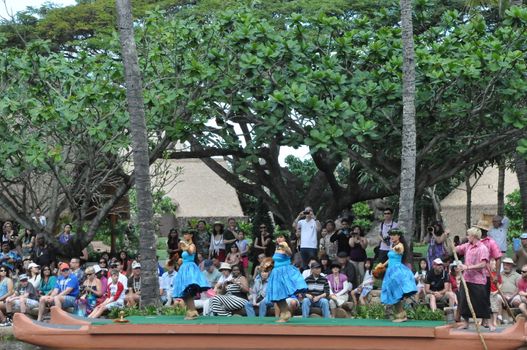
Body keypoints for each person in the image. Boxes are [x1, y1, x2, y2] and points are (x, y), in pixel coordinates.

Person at [454, 227, 490, 330]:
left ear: (473, 236)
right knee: (463, 300)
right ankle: (465, 322)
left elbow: (483, 264)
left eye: (468, 235)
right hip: (466, 279)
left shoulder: (482, 248)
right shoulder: (467, 246)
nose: (467, 237)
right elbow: (455, 249)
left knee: (480, 301)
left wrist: (467, 267)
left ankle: (485, 321)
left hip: (478, 280)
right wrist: (448, 239)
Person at [265, 234, 307, 322]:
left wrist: (285, 247)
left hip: (283, 273)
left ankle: (286, 313)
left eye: (281, 237)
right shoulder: (277, 247)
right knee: (278, 295)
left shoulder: (284, 244)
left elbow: (290, 254)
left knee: (280, 294)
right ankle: (284, 313)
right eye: (278, 237)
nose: (279, 238)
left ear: (285, 239)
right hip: (276, 273)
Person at [377, 228, 416, 322]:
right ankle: (401, 315)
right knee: (393, 292)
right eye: (391, 235)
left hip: (397, 271)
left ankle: (402, 316)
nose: (392, 237)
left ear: (399, 236)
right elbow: (390, 258)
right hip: (390, 271)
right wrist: (383, 265)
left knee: (396, 292)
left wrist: (395, 248)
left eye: (394, 235)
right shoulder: (393, 245)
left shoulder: (400, 245)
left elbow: (400, 251)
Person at [172, 229, 210, 320]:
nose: (185, 236)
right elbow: (184, 255)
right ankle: (191, 312)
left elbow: (191, 252)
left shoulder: (192, 245)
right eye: (184, 234)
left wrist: (185, 246)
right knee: (184, 293)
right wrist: (179, 261)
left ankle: (193, 311)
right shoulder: (185, 245)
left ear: (191, 235)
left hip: (190, 268)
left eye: (187, 234)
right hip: (183, 268)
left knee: (188, 290)